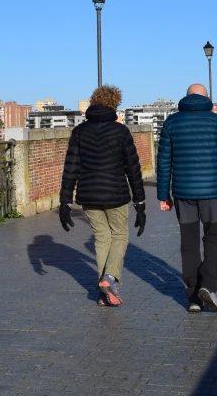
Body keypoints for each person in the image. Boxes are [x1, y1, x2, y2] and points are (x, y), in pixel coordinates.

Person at [59, 85, 146, 306]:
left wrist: (65, 201)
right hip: (116, 193)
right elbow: (133, 168)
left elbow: (71, 167)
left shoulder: (79, 132)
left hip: (88, 194)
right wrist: (140, 201)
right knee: (119, 235)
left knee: (101, 238)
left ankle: (103, 293)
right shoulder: (120, 132)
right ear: (115, 103)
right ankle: (110, 277)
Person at [157, 84, 217, 312]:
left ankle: (193, 297)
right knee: (213, 237)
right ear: (207, 98)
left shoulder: (171, 123)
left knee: (189, 243)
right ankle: (208, 286)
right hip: (212, 193)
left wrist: (163, 195)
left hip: (183, 193)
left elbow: (163, 161)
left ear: (186, 98)